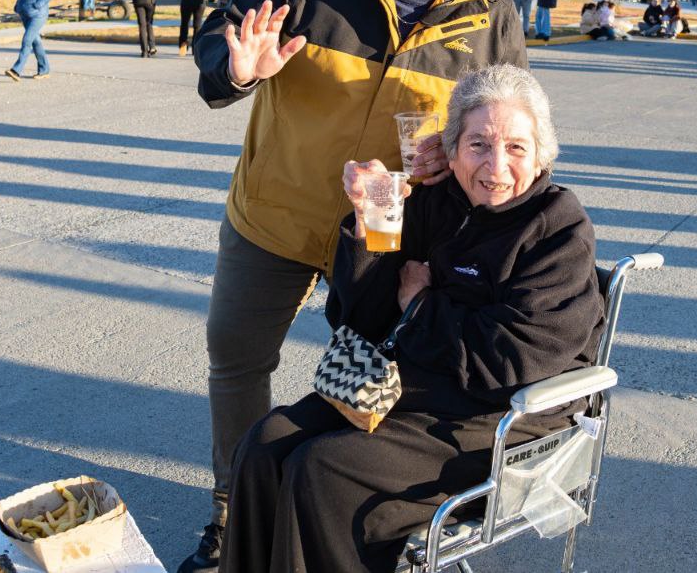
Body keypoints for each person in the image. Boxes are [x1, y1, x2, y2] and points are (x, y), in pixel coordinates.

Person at [179, 0, 526, 573]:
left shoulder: (492, 17)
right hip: (275, 211)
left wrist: (457, 159)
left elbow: (507, 129)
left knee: (377, 379)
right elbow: (218, 37)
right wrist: (237, 69)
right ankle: (232, 511)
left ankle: (342, 515)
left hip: (384, 231)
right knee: (236, 359)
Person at [220, 64, 601, 573]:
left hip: (498, 417)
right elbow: (360, 320)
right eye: (479, 145)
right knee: (263, 446)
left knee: (324, 471)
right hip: (409, 388)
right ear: (451, 150)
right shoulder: (435, 204)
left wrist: (420, 305)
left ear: (541, 155)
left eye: (516, 147)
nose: (496, 166)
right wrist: (369, 221)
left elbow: (511, 359)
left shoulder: (558, 230)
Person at [6, 0, 52, 82]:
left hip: (38, 15)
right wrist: (18, 5)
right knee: (35, 42)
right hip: (25, 13)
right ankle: (44, 69)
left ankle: (16, 70)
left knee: (27, 40)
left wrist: (36, 5)